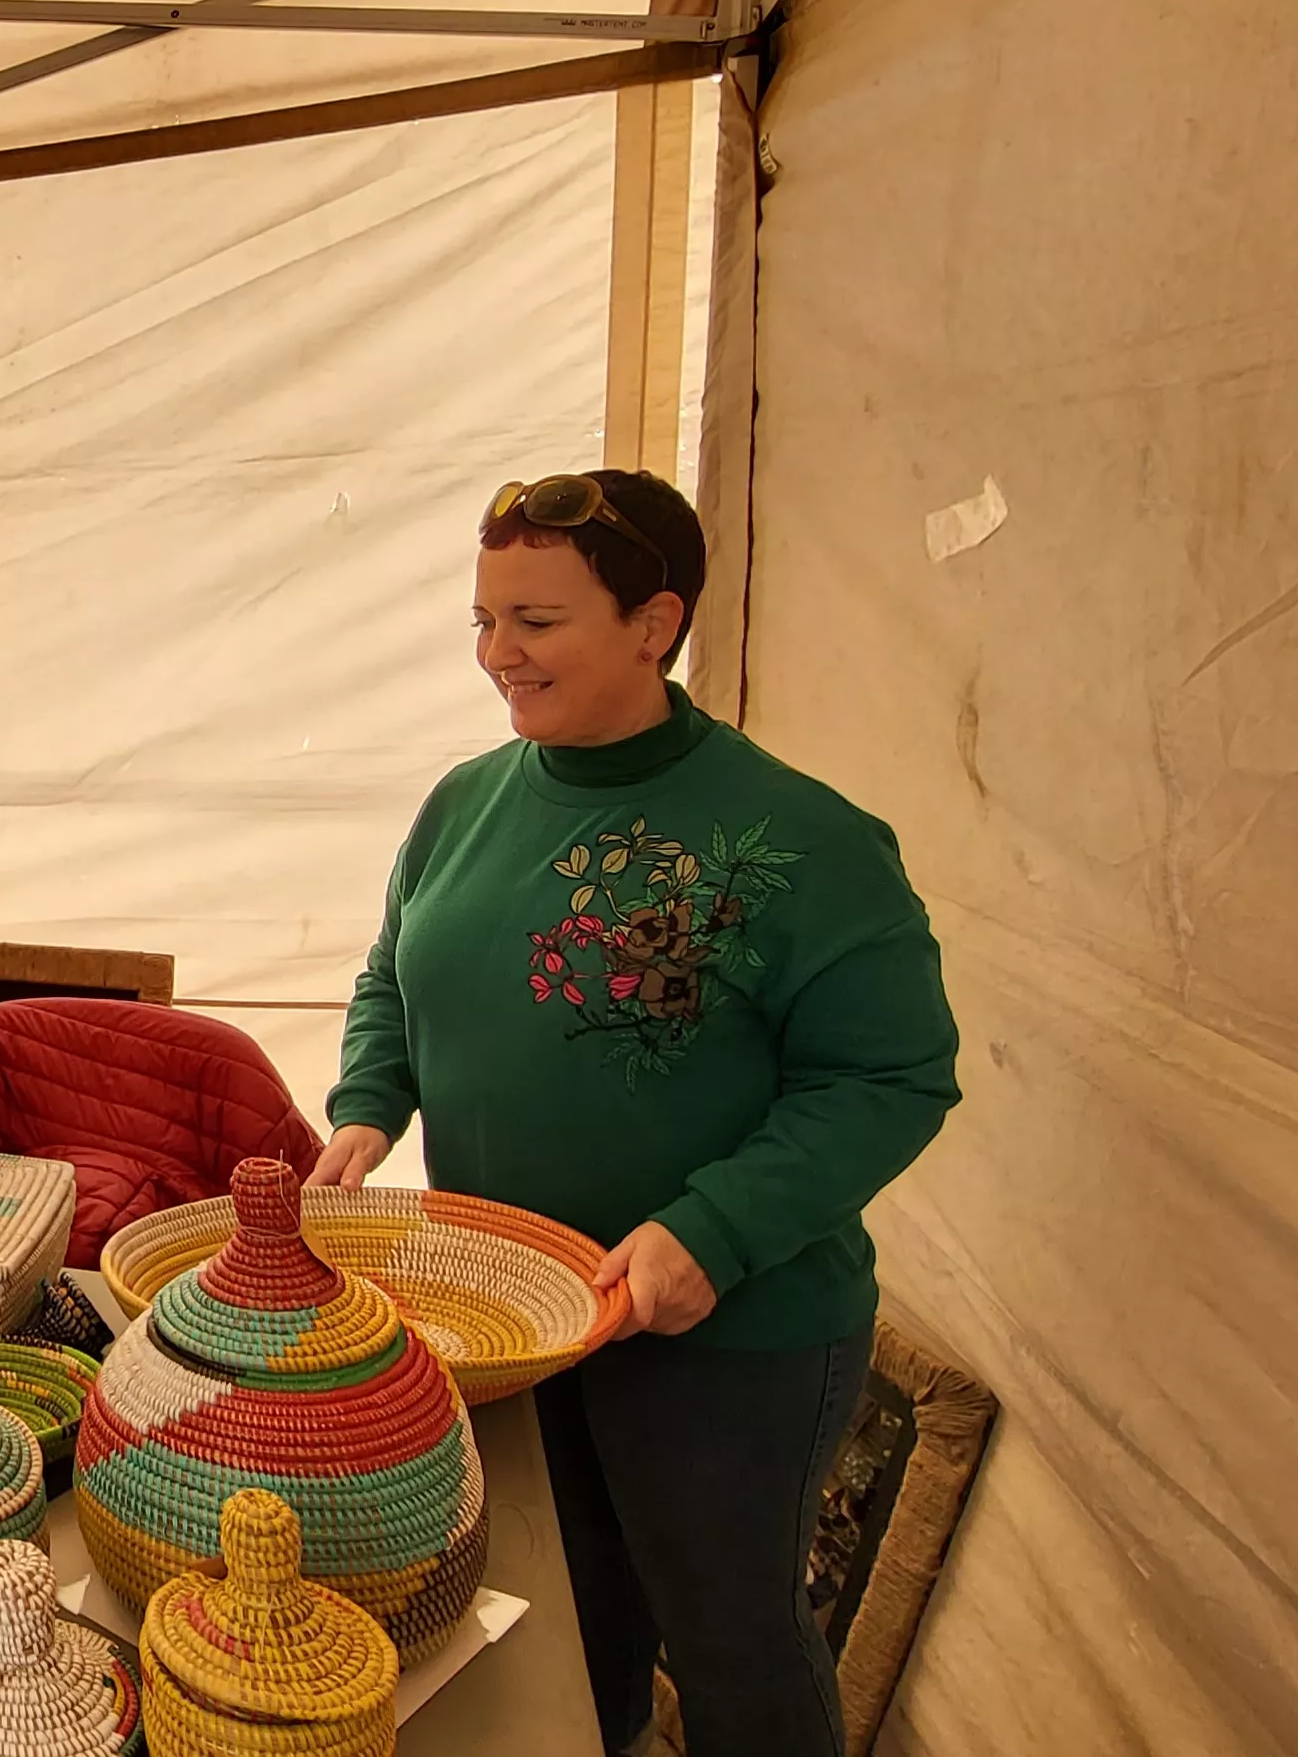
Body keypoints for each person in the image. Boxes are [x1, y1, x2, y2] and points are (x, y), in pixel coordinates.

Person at [309, 470, 959, 1757]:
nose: (498, 656)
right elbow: (394, 969)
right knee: (563, 1619)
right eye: (482, 621)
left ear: (654, 624)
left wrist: (710, 1233)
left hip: (726, 1343)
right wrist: (368, 1105)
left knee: (731, 1645)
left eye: (535, 623)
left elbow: (889, 1080)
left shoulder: (805, 842)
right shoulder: (465, 801)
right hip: (512, 1319)